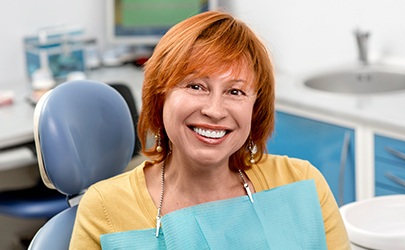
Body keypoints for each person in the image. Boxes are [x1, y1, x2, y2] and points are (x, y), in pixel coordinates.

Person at [69, 10, 350, 249]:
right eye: (196, 86)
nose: (215, 110)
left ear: (256, 108)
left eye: (236, 92)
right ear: (160, 96)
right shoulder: (105, 209)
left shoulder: (302, 184)